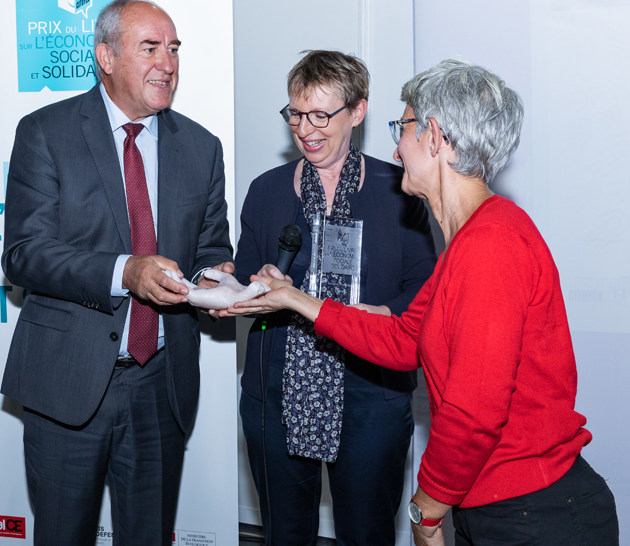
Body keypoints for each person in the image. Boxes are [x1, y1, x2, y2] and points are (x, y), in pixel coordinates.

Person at [226, 59, 619, 546]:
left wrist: (426, 508)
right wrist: (296, 299)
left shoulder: (491, 245)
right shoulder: (473, 238)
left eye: (403, 127)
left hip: (532, 514)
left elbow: (474, 412)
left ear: (433, 137)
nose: (395, 145)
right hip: (500, 507)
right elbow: (405, 338)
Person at [0, 0, 233, 546]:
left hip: (161, 382)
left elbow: (209, 246)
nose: (168, 63)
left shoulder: (201, 147)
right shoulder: (45, 132)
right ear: (105, 56)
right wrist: (123, 271)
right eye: (150, 48)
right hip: (67, 381)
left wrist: (211, 279)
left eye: (173, 49)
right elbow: (24, 253)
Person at [234, 50, 436, 546]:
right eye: (297, 114)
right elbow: (242, 278)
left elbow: (427, 291)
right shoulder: (266, 191)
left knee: (366, 534)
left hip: (371, 393)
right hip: (277, 394)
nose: (307, 129)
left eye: (322, 115)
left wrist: (382, 315)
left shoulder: (401, 190)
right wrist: (251, 283)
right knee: (285, 535)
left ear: (358, 112)